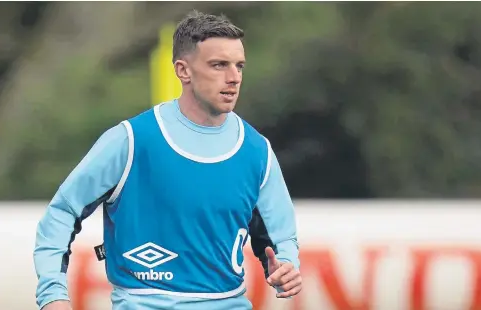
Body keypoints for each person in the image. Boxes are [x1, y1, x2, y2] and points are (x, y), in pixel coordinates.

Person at [34, 10, 302, 310]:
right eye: (219, 65)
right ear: (182, 70)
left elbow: (282, 240)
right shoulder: (131, 141)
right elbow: (61, 213)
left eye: (239, 66)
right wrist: (53, 296)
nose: (234, 77)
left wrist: (286, 268)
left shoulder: (257, 151)